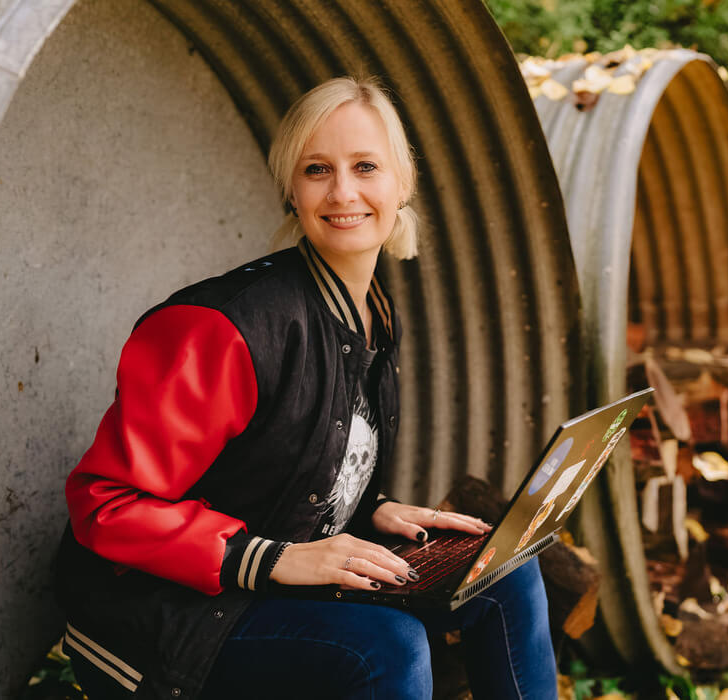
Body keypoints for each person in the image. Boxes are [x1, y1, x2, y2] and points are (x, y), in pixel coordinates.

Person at [54, 75, 559, 700]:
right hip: (164, 613)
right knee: (386, 647)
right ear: (292, 190)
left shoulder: (370, 311)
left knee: (503, 571)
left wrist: (372, 510)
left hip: (265, 584)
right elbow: (105, 503)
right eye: (317, 169)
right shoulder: (224, 328)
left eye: (366, 166)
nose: (343, 191)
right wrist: (274, 559)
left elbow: (291, 467)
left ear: (402, 184)